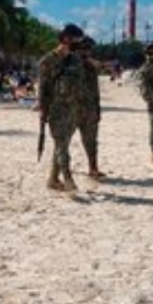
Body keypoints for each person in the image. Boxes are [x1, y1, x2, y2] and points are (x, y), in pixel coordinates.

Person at [39, 23, 85, 192]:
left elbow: (80, 85)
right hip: (55, 109)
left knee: (62, 145)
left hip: (73, 108)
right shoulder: (47, 61)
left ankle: (52, 179)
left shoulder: (75, 59)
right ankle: (67, 178)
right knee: (61, 144)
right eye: (76, 39)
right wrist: (43, 111)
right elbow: (43, 88)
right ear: (65, 39)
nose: (78, 43)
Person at [76, 37, 105, 179]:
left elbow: (95, 89)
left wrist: (98, 108)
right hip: (71, 109)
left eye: (89, 49)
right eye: (83, 48)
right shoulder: (68, 64)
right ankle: (57, 173)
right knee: (63, 143)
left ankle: (93, 168)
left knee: (91, 141)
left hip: (90, 109)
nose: (86, 51)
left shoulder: (91, 67)